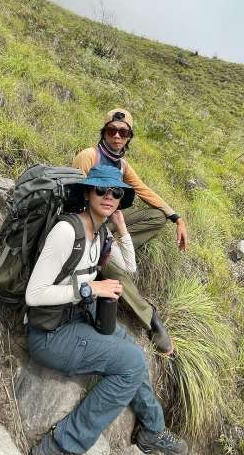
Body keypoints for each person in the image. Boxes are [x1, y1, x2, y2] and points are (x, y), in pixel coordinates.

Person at [26, 165, 188, 455]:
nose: (109, 197)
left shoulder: (100, 234)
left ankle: (152, 430)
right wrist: (90, 287)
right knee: (131, 362)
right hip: (49, 334)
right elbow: (34, 294)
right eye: (101, 191)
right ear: (87, 193)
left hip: (75, 320)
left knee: (130, 346)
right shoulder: (66, 231)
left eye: (116, 193)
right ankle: (60, 448)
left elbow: (129, 267)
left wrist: (121, 226)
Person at [73, 108, 189, 355]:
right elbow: (74, 196)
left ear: (128, 137)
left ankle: (114, 245)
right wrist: (93, 234)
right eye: (112, 130)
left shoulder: (122, 164)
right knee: (116, 273)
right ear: (104, 132)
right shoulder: (88, 156)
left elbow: (144, 191)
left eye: (123, 132)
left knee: (157, 216)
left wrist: (177, 218)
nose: (117, 136)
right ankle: (151, 319)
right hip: (86, 224)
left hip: (108, 220)